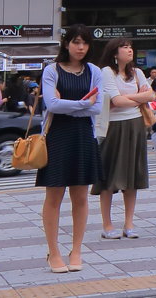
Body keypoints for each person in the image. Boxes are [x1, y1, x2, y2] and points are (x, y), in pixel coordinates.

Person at [38, 27, 103, 274]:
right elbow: (51, 103)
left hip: (83, 136)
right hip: (57, 136)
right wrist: (82, 104)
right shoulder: (51, 70)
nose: (81, 48)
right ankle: (53, 252)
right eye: (76, 42)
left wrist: (68, 105)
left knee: (81, 197)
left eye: (85, 43)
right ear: (67, 44)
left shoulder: (94, 71)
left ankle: (76, 250)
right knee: (54, 197)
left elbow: (97, 109)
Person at [93, 37, 151, 240]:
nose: (129, 50)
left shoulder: (138, 73)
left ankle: (129, 224)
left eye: (130, 47)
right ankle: (107, 225)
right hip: (113, 127)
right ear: (114, 52)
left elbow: (151, 96)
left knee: (132, 177)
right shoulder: (106, 72)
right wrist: (138, 97)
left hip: (135, 125)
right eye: (124, 47)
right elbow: (115, 100)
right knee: (108, 176)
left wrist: (129, 100)